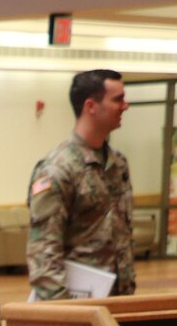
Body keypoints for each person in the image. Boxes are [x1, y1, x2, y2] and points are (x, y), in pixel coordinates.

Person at [28, 69, 136, 299]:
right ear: (90, 106)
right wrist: (66, 313)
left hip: (120, 301)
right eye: (118, 99)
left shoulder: (118, 164)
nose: (125, 106)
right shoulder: (57, 169)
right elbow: (44, 254)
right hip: (78, 306)